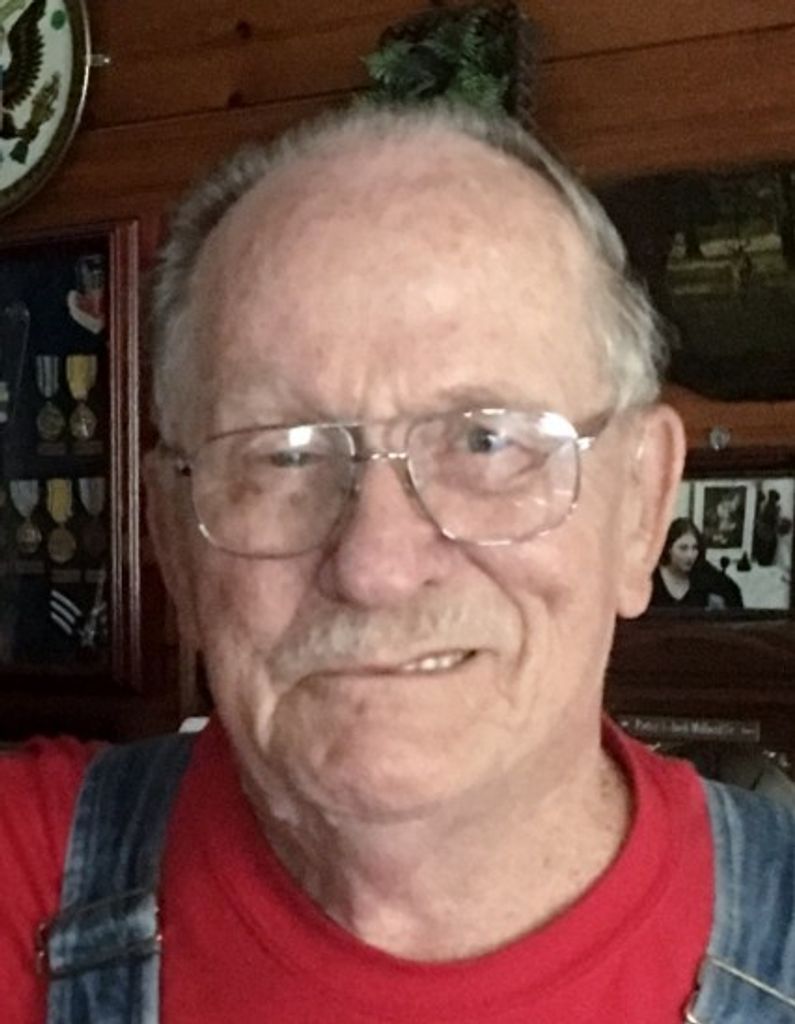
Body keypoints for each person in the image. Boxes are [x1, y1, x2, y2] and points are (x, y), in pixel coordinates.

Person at [1, 104, 793, 1023]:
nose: (375, 566)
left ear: (642, 504)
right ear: (173, 539)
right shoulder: (24, 873)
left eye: (485, 440)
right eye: (282, 455)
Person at [651, 517, 744, 609]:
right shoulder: (652, 577)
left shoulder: (703, 572)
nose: (690, 555)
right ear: (668, 549)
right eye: (683, 548)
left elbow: (733, 592)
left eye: (695, 548)